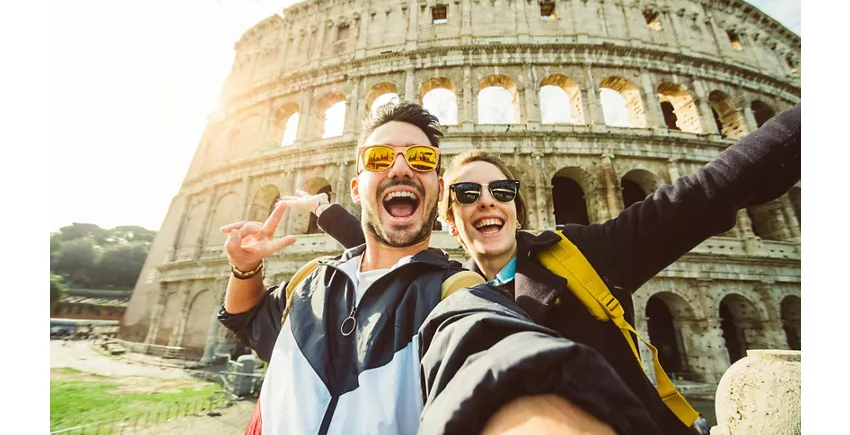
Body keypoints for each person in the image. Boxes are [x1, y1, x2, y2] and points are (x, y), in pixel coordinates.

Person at [285, 103, 801, 435]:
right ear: (449, 210)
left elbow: (708, 192)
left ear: (516, 204)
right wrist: (325, 212)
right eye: (468, 193)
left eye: (501, 191)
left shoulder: (584, 255)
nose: (487, 202)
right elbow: (379, 241)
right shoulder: (441, 285)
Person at [217, 103, 657, 435]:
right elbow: (248, 320)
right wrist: (244, 269)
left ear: (438, 187)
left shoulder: (455, 295)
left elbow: (496, 358)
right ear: (355, 187)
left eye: (422, 160)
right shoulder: (309, 279)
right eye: (380, 159)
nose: (402, 167)